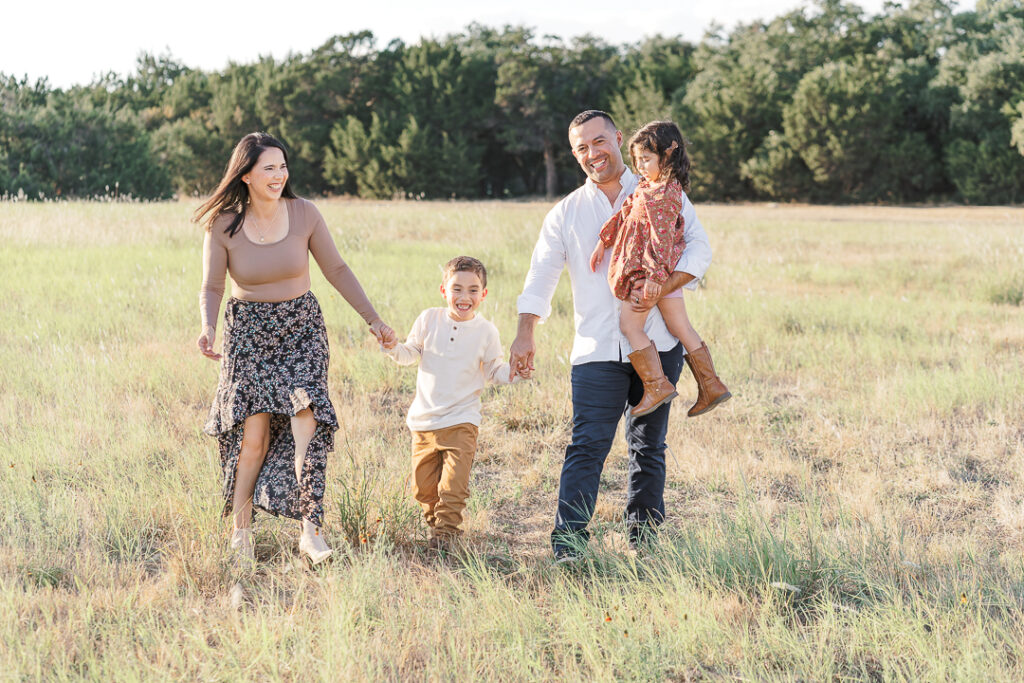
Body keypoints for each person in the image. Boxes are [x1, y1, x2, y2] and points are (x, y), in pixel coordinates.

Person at [509, 110, 712, 560]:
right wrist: (526, 332)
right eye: (581, 147)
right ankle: (569, 545)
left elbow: (700, 247)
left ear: (618, 139)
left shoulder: (660, 191)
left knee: (648, 447)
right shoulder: (566, 212)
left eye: (599, 141)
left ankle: (645, 542)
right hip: (596, 348)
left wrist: (666, 283)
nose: (592, 153)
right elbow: (541, 273)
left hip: (657, 343)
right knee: (587, 446)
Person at [195, 132, 396, 567]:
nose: (279, 174)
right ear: (245, 174)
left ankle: (310, 530)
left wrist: (373, 320)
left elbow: (337, 269)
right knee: (254, 437)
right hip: (248, 334)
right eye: (269, 168)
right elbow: (212, 285)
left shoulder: (304, 213)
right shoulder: (223, 224)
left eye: (283, 166)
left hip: (301, 328)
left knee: (308, 418)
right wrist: (207, 328)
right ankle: (241, 533)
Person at [589, 120, 730, 418]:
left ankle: (656, 385)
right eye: (637, 159)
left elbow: (662, 239)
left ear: (667, 157)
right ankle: (711, 385)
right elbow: (626, 211)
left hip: (649, 276)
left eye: (646, 159)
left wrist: (654, 278)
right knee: (681, 327)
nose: (640, 165)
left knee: (629, 325)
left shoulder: (665, 194)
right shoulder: (648, 187)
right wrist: (605, 240)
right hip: (667, 278)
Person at [381, 256, 525, 548]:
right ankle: (438, 527)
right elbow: (410, 353)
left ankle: (446, 539)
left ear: (483, 294)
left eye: (473, 290)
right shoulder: (429, 319)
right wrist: (393, 347)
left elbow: (494, 371)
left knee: (453, 487)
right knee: (423, 491)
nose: (464, 297)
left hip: (462, 421)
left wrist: (515, 373)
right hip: (423, 422)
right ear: (443, 290)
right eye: (457, 288)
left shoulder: (487, 331)